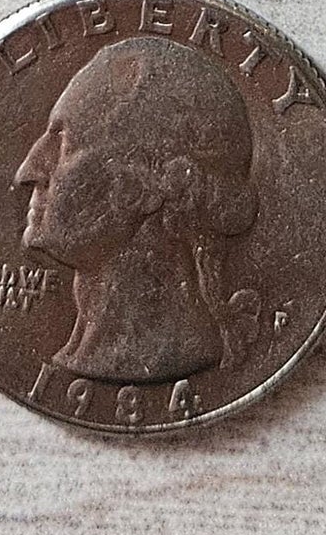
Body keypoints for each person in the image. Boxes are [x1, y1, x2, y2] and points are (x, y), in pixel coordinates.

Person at [14, 35, 260, 382]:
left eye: (64, 141)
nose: (28, 171)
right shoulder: (93, 353)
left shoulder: (171, 353)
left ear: (142, 186)